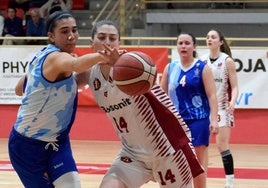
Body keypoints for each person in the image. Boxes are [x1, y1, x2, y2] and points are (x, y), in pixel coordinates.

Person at [76, 19, 204, 188]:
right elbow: (62, 79)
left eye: (112, 38)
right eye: (101, 37)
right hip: (133, 154)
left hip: (167, 150)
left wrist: (117, 63)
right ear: (92, 43)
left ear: (119, 43)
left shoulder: (133, 65)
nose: (107, 42)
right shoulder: (89, 74)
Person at [8, 11, 119, 188]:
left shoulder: (42, 57)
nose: (71, 36)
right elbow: (75, 65)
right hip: (27, 147)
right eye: (64, 31)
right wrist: (104, 56)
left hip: (58, 142)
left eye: (74, 30)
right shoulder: (55, 58)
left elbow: (19, 89)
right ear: (51, 36)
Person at [160, 33, 219, 188]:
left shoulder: (202, 68)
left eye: (187, 43)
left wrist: (214, 120)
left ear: (194, 46)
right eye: (180, 43)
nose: (183, 46)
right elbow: (160, 96)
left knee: (198, 165)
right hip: (175, 122)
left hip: (198, 121)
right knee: (174, 162)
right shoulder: (170, 67)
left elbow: (212, 95)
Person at [201, 29, 239, 188]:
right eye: (208, 37)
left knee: (222, 145)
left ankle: (230, 182)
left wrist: (233, 101)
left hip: (222, 108)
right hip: (205, 108)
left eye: (213, 37)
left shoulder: (227, 61)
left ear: (221, 42)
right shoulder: (202, 60)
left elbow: (235, 86)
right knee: (201, 146)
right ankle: (201, 180)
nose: (209, 39)